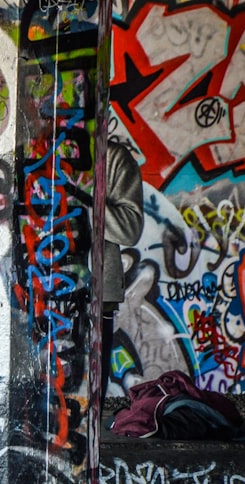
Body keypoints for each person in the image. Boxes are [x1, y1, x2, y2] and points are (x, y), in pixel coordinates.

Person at [102, 141, 144, 397]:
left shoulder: (114, 157)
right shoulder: (35, 153)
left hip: (99, 292)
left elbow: (130, 229)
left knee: (92, 388)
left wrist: (82, 200)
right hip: (39, 286)